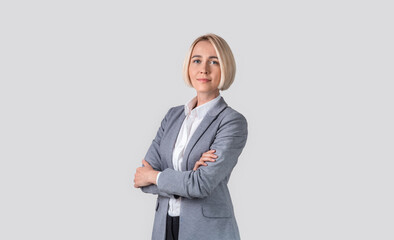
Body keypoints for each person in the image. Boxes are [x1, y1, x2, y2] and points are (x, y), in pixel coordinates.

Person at [133, 33, 248, 240]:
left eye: (214, 61)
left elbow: (201, 184)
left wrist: (156, 176)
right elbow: (142, 178)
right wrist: (188, 178)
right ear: (188, 66)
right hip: (164, 227)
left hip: (206, 231)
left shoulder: (231, 121)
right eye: (197, 60)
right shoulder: (172, 115)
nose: (203, 69)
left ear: (225, 68)